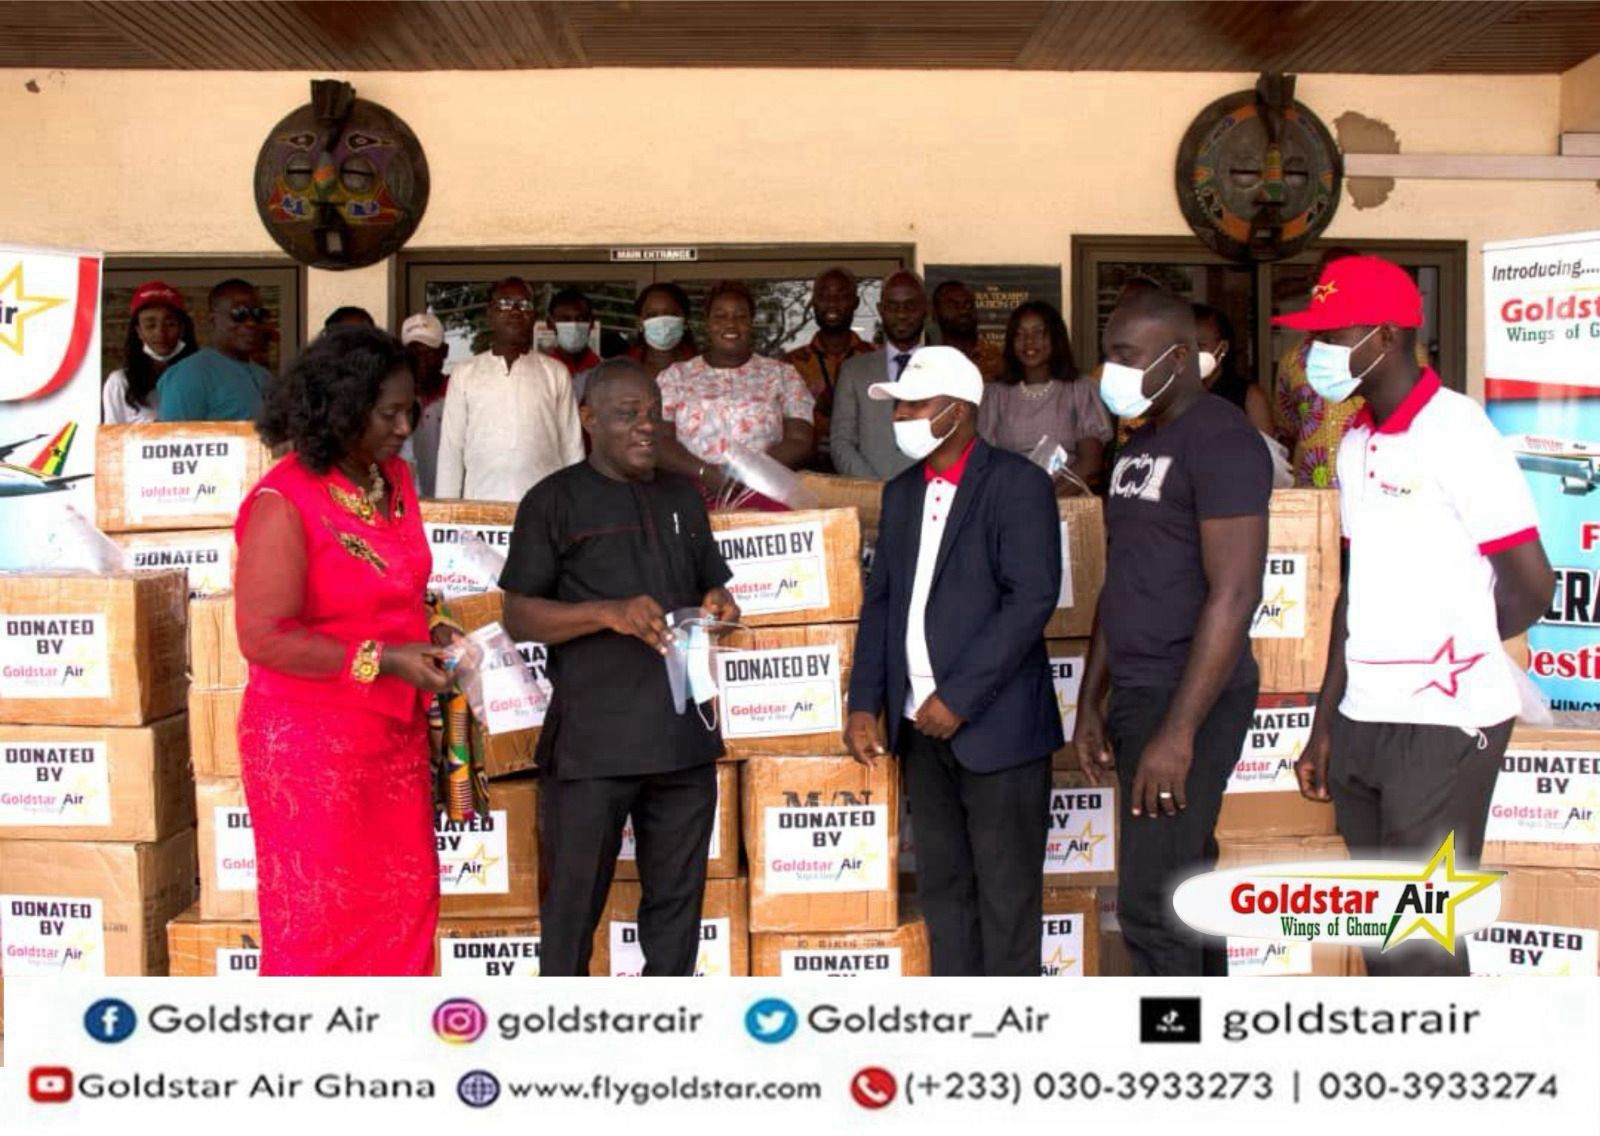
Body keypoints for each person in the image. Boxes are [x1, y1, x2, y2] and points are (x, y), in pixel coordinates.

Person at [1284, 256, 1554, 977]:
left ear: (1386, 337)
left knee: (1421, 939)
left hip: (1445, 720)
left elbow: (1532, 585)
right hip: (1365, 718)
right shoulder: (1354, 442)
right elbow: (1353, 591)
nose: (1316, 355)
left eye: (1330, 337)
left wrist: (1458, 641)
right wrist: (1325, 722)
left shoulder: (1459, 432)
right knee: (1383, 934)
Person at [500, 359, 740, 976]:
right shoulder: (552, 501)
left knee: (677, 907)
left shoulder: (683, 495)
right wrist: (607, 613)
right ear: (588, 419)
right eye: (628, 414)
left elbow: (714, 585)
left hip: (684, 742)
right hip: (593, 749)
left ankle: (666, 1046)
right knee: (573, 908)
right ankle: (565, 1047)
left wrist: (720, 603)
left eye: (654, 414)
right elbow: (520, 616)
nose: (646, 427)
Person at [236, 326, 457, 975]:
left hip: (392, 738)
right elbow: (264, 634)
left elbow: (403, 583)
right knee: (324, 921)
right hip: (311, 750)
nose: (402, 425)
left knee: (405, 902)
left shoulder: (396, 480)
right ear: (340, 409)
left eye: (409, 409)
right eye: (387, 412)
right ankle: (318, 1069)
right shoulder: (286, 499)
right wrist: (386, 660)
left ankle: (391, 1064)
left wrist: (436, 625)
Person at [846, 346, 1062, 976]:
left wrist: (958, 699)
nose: (901, 416)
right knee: (944, 893)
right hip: (920, 731)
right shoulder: (902, 493)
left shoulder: (1017, 486)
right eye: (898, 405)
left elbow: (1032, 600)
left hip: (996, 731)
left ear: (959, 411)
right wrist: (866, 703)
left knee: (1006, 898)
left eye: (915, 404)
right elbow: (881, 602)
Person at [1073, 289, 1271, 977]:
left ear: (1179, 357)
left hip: (1190, 695)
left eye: (1125, 356)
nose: (1112, 371)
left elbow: (1236, 591)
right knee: (1185, 890)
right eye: (1109, 356)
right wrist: (1090, 701)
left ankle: (1173, 1061)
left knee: (1156, 908)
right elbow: (1120, 582)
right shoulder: (1140, 445)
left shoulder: (1222, 439)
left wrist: (1179, 731)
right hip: (1138, 691)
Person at [655, 280, 815, 493]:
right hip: (689, 494)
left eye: (741, 316)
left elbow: (800, 440)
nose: (731, 324)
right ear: (707, 323)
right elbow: (658, 440)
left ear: (751, 322)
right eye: (720, 316)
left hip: (764, 493)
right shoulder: (675, 377)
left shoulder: (782, 375)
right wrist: (704, 472)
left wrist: (747, 471)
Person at [435, 277, 583, 501]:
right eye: (505, 303)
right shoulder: (465, 374)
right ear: (490, 314)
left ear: (534, 316)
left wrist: (575, 509)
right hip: (480, 507)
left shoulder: (555, 373)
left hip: (544, 509)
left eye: (524, 305)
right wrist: (446, 513)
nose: (515, 311)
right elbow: (451, 450)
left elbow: (572, 448)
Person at [978, 300, 1111, 493]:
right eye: (1020, 334)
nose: (1029, 341)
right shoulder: (996, 395)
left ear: (1056, 337)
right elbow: (984, 461)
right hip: (1009, 502)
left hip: (1067, 502)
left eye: (1038, 332)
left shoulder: (1080, 389)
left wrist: (1044, 500)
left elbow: (1090, 463)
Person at [832, 270, 926, 480]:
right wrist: (876, 490)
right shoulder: (854, 371)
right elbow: (841, 443)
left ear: (925, 309)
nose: (901, 314)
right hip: (871, 498)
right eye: (893, 306)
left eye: (910, 305)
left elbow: (957, 439)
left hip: (934, 496)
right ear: (881, 310)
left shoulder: (945, 367)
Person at [784, 267, 874, 470]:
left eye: (841, 296)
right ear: (813, 302)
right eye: (824, 296)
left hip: (868, 471)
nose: (832, 304)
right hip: (806, 476)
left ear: (856, 303)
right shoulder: (790, 366)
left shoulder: (876, 359)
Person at [157, 278, 273, 422]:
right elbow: (175, 441)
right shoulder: (188, 375)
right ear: (213, 320)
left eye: (258, 314)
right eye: (239, 314)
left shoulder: (264, 376)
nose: (251, 323)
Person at [103, 281, 198, 424]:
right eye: (150, 325)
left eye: (170, 324)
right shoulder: (120, 383)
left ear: (182, 328)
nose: (160, 333)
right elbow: (112, 441)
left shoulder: (201, 377)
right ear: (139, 331)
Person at [1192, 303, 1273, 435]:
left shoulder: (1250, 397)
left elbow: (1267, 453)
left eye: (1200, 345)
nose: (1191, 353)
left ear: (1223, 348)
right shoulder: (1169, 396)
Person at [401, 311, 449, 497]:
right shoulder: (393, 403)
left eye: (428, 353)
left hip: (453, 507)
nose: (420, 361)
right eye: (414, 353)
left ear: (444, 352)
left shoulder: (458, 394)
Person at [931, 280, 1003, 381]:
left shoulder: (999, 360)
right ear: (935, 313)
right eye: (953, 304)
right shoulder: (929, 363)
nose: (963, 310)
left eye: (968, 304)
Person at [624, 282, 697, 380]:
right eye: (652, 315)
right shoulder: (622, 368)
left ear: (685, 320)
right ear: (640, 322)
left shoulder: (704, 368)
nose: (662, 322)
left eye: (671, 314)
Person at [545, 286, 602, 386]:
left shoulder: (604, 371)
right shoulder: (541, 371)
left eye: (580, 318)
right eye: (565, 319)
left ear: (592, 323)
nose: (574, 325)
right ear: (550, 323)